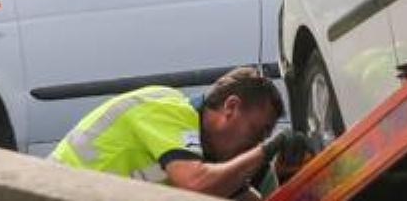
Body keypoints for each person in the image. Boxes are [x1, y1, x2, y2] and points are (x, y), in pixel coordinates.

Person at [49, 66, 312, 199]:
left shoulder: (194, 153)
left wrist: (295, 179)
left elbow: (232, 193)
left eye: (264, 138)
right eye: (257, 131)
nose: (255, 142)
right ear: (231, 107)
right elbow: (196, 183)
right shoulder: (169, 109)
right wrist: (268, 150)